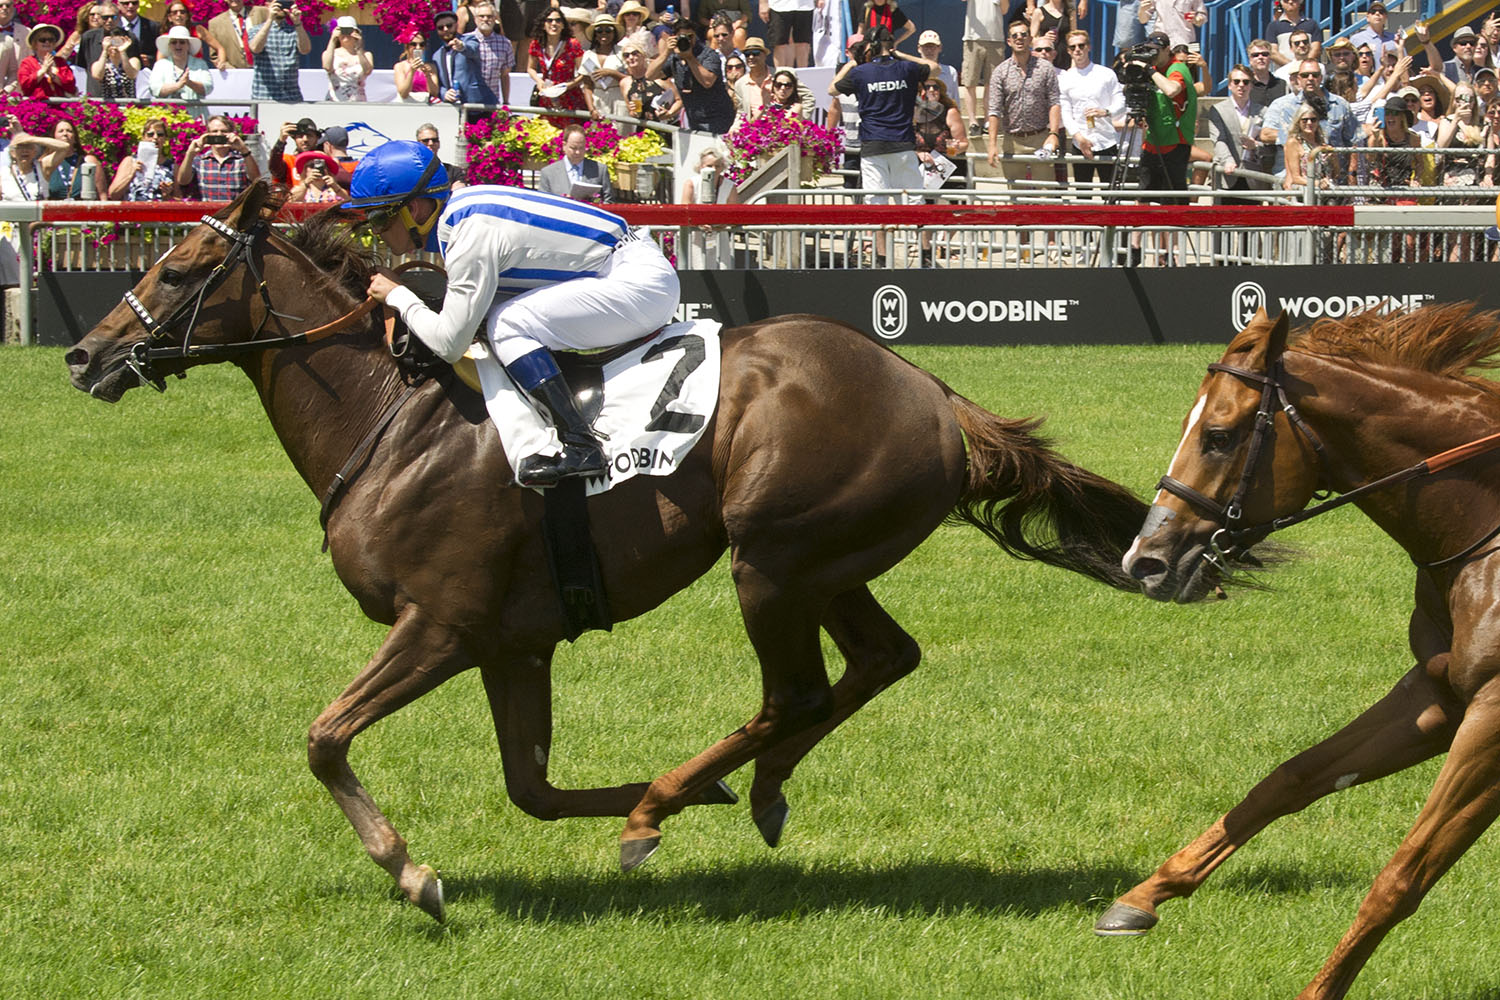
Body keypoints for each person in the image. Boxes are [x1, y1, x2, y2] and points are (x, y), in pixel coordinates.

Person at [357, 140, 681, 487]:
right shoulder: (465, 212)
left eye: (379, 217)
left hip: (637, 282)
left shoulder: (470, 234)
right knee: (499, 318)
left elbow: (450, 344)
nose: (375, 231)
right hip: (631, 271)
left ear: (416, 210)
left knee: (506, 322)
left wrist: (399, 296)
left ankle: (580, 444)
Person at [831, 26, 937, 261]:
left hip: (873, 147)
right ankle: (926, 253)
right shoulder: (907, 67)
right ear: (890, 45)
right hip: (902, 145)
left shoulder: (861, 72)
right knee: (915, 200)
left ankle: (881, 258)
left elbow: (832, 88)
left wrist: (853, 62)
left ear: (871, 46)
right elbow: (935, 68)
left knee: (877, 203)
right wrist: (899, 54)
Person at [984, 22, 1062, 186]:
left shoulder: (1045, 68)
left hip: (1040, 138)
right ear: (1009, 41)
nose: (1019, 38)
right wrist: (992, 145)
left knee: (1046, 194)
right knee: (1016, 195)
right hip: (1013, 140)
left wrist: (1053, 134)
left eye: (1023, 35)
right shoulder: (1000, 72)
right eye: (1015, 35)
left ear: (1030, 39)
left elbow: (1054, 102)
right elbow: (994, 110)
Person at [1262, 60, 1356, 178]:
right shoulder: (1284, 106)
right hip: (1296, 180)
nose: (1310, 78)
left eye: (1315, 75)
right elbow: (1268, 136)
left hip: (1333, 179)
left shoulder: (1340, 105)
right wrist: (1304, 137)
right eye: (1305, 75)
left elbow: (1354, 140)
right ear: (1298, 79)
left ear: (1321, 78)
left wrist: (1352, 174)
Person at [1133, 32, 1195, 203]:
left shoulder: (1176, 67)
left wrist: (1148, 70)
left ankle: (1175, 229)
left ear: (1167, 49)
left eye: (1157, 50)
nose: (1153, 55)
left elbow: (1171, 90)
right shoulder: (1155, 69)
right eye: (1150, 50)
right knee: (1143, 196)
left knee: (1171, 200)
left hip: (1175, 141)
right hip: (1153, 140)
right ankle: (1136, 229)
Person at [1058, 30, 1123, 188]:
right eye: (1072, 47)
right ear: (1068, 51)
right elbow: (1066, 113)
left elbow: (1120, 100)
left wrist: (1105, 112)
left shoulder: (1106, 73)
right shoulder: (1065, 78)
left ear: (1089, 47)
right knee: (1082, 193)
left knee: (1111, 194)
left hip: (1106, 141)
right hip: (1080, 142)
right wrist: (1079, 138)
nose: (1077, 50)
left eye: (1081, 45)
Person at [649, 19, 734, 134]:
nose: (688, 40)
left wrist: (689, 58)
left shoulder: (709, 55)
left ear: (696, 36)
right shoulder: (675, 58)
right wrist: (666, 52)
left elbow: (707, 82)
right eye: (682, 37)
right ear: (675, 37)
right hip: (694, 121)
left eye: (690, 36)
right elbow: (650, 75)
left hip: (719, 119)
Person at [1210, 64, 1269, 199]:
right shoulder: (1217, 109)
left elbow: (1269, 144)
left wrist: (1256, 146)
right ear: (1230, 85)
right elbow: (1218, 140)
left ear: (1251, 85)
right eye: (1236, 81)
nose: (1241, 85)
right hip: (1227, 176)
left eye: (1246, 82)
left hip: (1253, 177)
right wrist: (1227, 161)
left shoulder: (1263, 111)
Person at [529, 8, 591, 124]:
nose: (554, 24)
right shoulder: (536, 44)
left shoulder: (572, 44)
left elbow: (584, 71)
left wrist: (569, 85)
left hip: (570, 96)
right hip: (546, 94)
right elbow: (531, 68)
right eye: (549, 20)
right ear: (543, 25)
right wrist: (538, 81)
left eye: (558, 20)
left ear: (563, 25)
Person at [176, 115, 260, 200]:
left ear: (231, 134)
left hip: (234, 211)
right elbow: (183, 181)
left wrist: (244, 150)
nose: (219, 134)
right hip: (208, 211)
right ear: (207, 134)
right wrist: (190, 154)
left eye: (224, 131)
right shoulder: (199, 161)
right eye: (214, 131)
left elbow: (256, 181)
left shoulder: (243, 160)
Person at [961, 0, 1009, 137]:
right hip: (972, 39)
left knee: (993, 83)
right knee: (970, 82)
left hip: (996, 39)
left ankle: (989, 120)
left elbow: (1004, 9)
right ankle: (972, 121)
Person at [249, 0, 309, 102]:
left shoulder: (294, 31)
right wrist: (270, 19)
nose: (281, 7)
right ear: (268, 5)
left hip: (291, 96)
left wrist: (297, 22)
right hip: (264, 96)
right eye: (278, 3)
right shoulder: (256, 30)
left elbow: (305, 50)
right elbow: (255, 48)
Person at [537, 123, 613, 201]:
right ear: (564, 146)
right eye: (573, 148)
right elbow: (543, 203)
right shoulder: (548, 173)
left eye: (581, 148)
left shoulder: (600, 170)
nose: (578, 152)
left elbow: (609, 201)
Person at [432, 9, 491, 107]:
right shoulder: (437, 55)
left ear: (456, 25)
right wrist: (444, 94)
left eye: (449, 25)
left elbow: (472, 50)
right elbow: (439, 83)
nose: (445, 29)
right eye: (440, 27)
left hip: (476, 103)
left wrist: (462, 47)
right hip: (451, 106)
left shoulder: (470, 39)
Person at [107, 117, 176, 200]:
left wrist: (167, 196)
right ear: (143, 137)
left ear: (165, 139)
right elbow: (113, 194)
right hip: (133, 210)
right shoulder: (130, 161)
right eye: (150, 134)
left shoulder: (171, 166)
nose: (155, 137)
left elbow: (179, 198)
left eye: (160, 134)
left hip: (158, 211)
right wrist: (131, 175)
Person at [44, 118, 109, 199]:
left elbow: (102, 194)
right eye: (61, 131)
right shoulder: (46, 162)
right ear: (54, 137)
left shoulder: (88, 161)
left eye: (69, 131)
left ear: (75, 138)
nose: (65, 134)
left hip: (82, 209)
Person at [467, 3, 514, 107]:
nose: (485, 19)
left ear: (495, 19)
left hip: (492, 101)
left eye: (489, 16)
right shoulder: (465, 41)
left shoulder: (505, 43)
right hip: (468, 101)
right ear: (475, 19)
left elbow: (505, 75)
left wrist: (506, 102)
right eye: (482, 16)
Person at [149, 23, 212, 100]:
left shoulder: (200, 64)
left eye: (182, 42)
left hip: (195, 111)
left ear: (188, 45)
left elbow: (208, 88)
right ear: (169, 45)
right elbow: (155, 89)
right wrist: (178, 85)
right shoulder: (160, 65)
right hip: (167, 111)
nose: (178, 46)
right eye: (174, 42)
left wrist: (189, 83)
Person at [1282, 102, 1334, 191]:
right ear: (1298, 122)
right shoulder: (1294, 143)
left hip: (1327, 190)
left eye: (1313, 120)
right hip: (1305, 192)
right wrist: (1318, 183)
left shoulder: (1322, 142)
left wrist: (1333, 158)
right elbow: (1296, 178)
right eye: (1305, 120)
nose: (1309, 123)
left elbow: (1335, 173)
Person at [18, 23, 77, 97]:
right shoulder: (27, 62)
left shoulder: (60, 62)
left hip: (59, 105)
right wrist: (42, 71)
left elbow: (71, 86)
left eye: (51, 40)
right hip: (37, 106)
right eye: (43, 40)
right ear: (35, 43)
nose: (47, 42)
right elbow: (25, 86)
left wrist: (52, 76)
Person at [321, 16, 372, 101]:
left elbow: (367, 71)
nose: (346, 34)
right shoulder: (330, 53)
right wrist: (333, 39)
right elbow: (327, 67)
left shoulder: (366, 54)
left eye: (349, 31)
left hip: (358, 101)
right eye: (343, 31)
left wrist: (359, 48)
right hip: (335, 101)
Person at [205, 0, 266, 70]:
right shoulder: (215, 23)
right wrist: (231, 70)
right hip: (234, 73)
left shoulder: (262, 12)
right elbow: (215, 55)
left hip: (264, 70)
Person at [580, 14, 622, 116]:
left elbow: (631, 79)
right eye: (599, 30)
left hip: (619, 98)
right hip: (598, 99)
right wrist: (591, 109)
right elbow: (587, 86)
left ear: (614, 33)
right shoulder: (588, 55)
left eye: (608, 30)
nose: (604, 34)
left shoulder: (622, 52)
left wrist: (612, 73)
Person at [89, 21, 139, 97]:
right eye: (112, 42)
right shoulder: (100, 63)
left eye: (118, 42)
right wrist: (105, 50)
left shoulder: (132, 61)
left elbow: (132, 74)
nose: (115, 46)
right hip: (108, 106)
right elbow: (97, 75)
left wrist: (122, 51)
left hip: (129, 105)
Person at [1266, 0, 1318, 70]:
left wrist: (1304, 67)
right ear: (1281, 2)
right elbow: (1273, 52)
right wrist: (1292, 67)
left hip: (1308, 73)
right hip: (1283, 74)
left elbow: (1316, 49)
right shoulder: (1273, 26)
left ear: (1301, 1)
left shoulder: (1311, 24)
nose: (1290, 2)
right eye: (1286, 0)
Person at [762, 0, 812, 69]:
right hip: (779, 6)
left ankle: (802, 76)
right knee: (780, 44)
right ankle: (780, 75)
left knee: (803, 43)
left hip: (805, 6)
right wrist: (763, 3)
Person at [393, 28, 437, 103]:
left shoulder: (431, 67)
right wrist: (412, 71)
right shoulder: (400, 66)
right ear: (407, 46)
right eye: (413, 44)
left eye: (422, 44)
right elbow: (403, 93)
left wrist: (428, 76)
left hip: (425, 106)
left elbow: (434, 93)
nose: (418, 47)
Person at [734, 35, 772, 117]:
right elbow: (741, 113)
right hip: (755, 126)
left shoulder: (780, 74)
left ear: (765, 55)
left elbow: (805, 96)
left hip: (779, 126)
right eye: (747, 54)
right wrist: (734, 128)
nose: (751, 57)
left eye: (755, 53)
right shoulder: (740, 84)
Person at [916, 29, 959, 101]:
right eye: (926, 47)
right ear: (919, 48)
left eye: (932, 47)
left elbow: (955, 100)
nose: (929, 50)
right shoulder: (911, 72)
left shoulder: (950, 72)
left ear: (940, 48)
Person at [114, 0, 158, 66]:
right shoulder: (113, 26)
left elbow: (159, 51)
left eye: (134, 3)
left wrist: (150, 59)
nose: (131, 6)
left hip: (144, 70)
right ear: (118, 5)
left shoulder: (152, 26)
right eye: (126, 3)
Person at [1246, 38, 1285, 107]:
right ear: (1250, 60)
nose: (1260, 57)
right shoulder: (1246, 85)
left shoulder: (1282, 85)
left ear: (1270, 58)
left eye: (1264, 54)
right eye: (1255, 55)